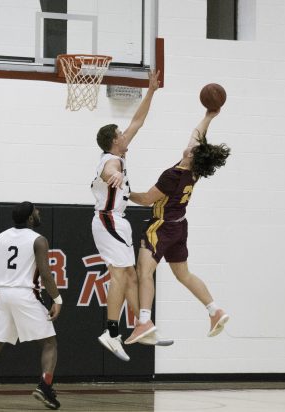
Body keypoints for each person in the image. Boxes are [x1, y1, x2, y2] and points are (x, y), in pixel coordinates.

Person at [125, 109, 231, 345]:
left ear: (192, 155)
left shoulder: (172, 175)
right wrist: (208, 116)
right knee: (184, 274)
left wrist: (125, 192)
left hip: (160, 227)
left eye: (193, 148)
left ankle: (144, 321)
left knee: (144, 271)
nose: (190, 145)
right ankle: (215, 310)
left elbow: (146, 200)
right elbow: (196, 136)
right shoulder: (193, 171)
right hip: (180, 227)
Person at [91, 70, 166, 361]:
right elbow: (109, 171)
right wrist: (115, 178)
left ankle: (141, 327)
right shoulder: (110, 160)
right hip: (109, 219)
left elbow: (138, 121)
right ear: (113, 140)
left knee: (131, 274)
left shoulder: (119, 154)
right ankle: (111, 332)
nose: (126, 134)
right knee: (120, 275)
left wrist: (151, 91)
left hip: (115, 221)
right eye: (121, 134)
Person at [0, 202, 63, 410]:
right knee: (49, 343)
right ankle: (45, 386)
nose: (39, 213)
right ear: (30, 218)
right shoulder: (38, 240)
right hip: (25, 295)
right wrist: (57, 299)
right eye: (36, 211)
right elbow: (46, 274)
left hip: (3, 296)